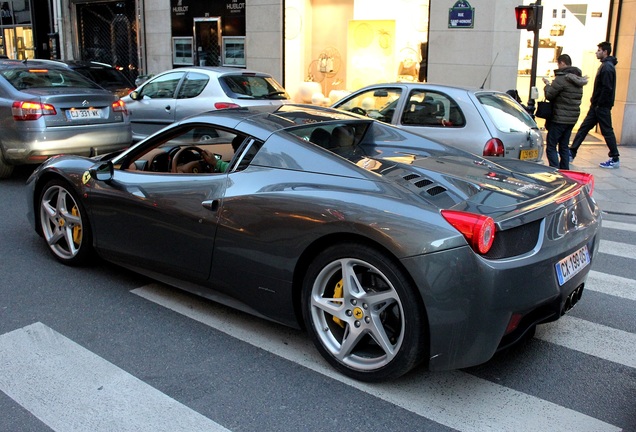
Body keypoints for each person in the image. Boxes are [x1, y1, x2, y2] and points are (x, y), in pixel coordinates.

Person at [569, 41, 620, 168]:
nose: (597, 52)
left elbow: (607, 88)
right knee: (584, 128)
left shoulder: (607, 67)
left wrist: (598, 104)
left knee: (606, 131)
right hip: (598, 106)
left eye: (599, 50)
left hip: (601, 107)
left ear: (605, 52)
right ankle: (571, 152)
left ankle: (615, 157)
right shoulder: (606, 66)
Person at [542, 54, 588, 169]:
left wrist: (547, 85)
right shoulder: (578, 80)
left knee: (551, 146)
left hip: (559, 118)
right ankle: (565, 171)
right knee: (564, 146)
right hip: (572, 119)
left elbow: (549, 95)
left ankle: (555, 171)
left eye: (558, 64)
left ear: (562, 63)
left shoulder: (561, 79)